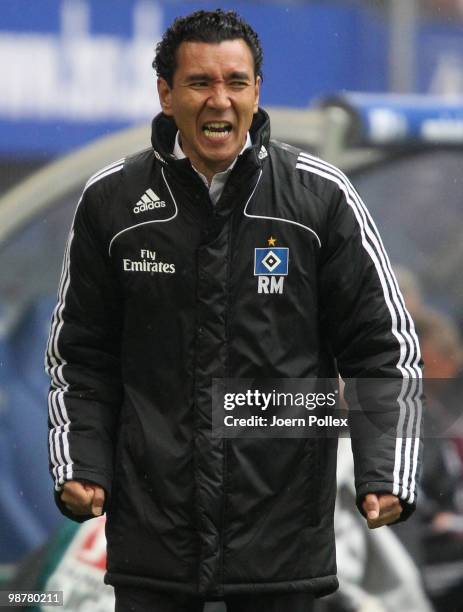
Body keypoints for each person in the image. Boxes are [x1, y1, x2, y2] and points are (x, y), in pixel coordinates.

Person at [45, 9, 423, 612]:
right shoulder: (111, 202)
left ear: (256, 92)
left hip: (282, 547)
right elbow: (80, 359)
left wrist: (385, 472)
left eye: (236, 82)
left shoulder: (320, 198)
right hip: (153, 547)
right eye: (199, 83)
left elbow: (385, 349)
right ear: (166, 94)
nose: (219, 100)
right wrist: (82, 464)